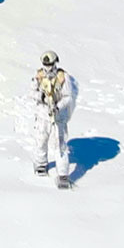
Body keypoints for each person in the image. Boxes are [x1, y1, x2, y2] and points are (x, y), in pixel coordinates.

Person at [32, 50, 75, 189]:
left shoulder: (63, 77)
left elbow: (68, 96)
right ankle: (41, 164)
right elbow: (31, 92)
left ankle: (63, 175)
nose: (48, 67)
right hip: (43, 114)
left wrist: (58, 106)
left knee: (60, 145)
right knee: (41, 139)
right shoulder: (39, 76)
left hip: (58, 116)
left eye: (50, 64)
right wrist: (42, 98)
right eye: (45, 64)